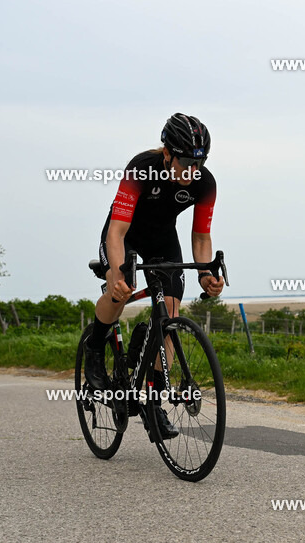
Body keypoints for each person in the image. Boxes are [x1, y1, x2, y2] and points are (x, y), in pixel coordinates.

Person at [83, 113, 224, 439]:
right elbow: (116, 231)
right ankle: (95, 347)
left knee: (171, 315)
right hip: (125, 235)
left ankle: (153, 403)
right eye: (186, 161)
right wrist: (118, 275)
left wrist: (205, 275)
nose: (193, 170)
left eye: (199, 163)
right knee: (121, 290)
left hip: (163, 240)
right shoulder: (140, 168)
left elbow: (201, 238)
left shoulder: (204, 183)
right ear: (167, 154)